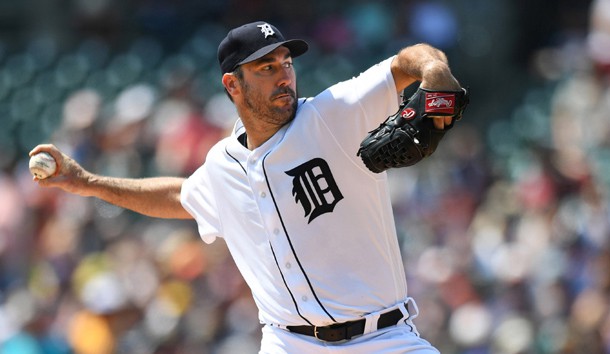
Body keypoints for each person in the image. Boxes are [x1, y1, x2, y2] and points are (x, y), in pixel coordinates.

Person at [31, 21, 462, 353]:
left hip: (382, 338)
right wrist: (87, 183)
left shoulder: (332, 115)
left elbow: (408, 61)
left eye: (287, 64)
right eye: (266, 67)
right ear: (232, 84)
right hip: (289, 343)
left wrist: (435, 69)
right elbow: (178, 196)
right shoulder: (222, 165)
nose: (283, 76)